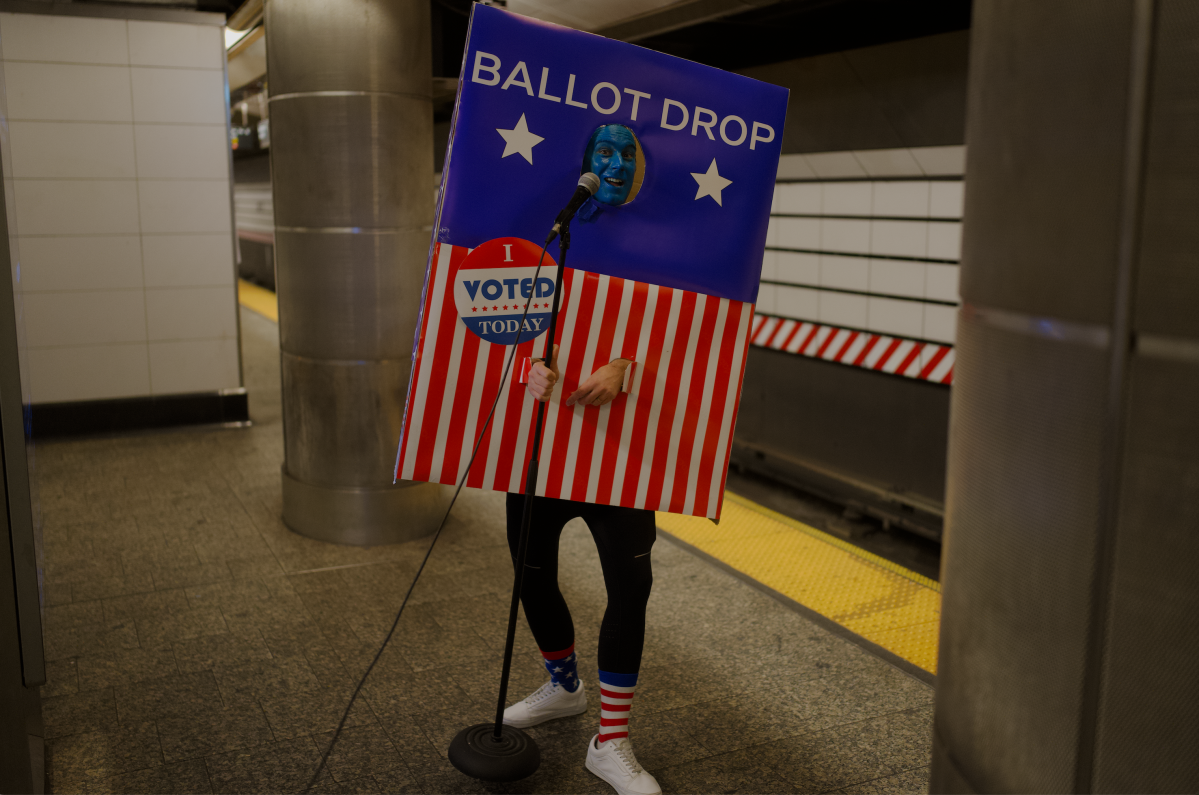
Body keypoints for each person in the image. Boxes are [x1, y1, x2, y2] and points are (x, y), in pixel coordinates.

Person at [502, 346, 662, 795]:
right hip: (542, 442)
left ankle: (610, 740)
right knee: (531, 575)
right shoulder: (540, 272)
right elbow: (488, 334)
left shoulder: (652, 276)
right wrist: (526, 366)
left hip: (622, 451)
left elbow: (686, 335)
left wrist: (625, 365)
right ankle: (565, 687)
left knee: (631, 590)